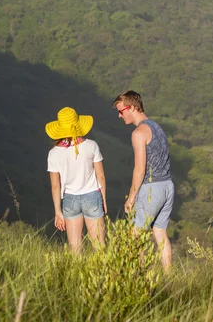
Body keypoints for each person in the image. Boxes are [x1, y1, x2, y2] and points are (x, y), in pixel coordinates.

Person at [113, 90, 174, 272]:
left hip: (151, 187)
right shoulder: (157, 127)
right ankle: (169, 276)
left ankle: (137, 277)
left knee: (135, 236)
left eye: (121, 111)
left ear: (131, 107)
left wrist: (131, 197)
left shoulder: (139, 133)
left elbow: (140, 169)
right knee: (160, 234)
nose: (119, 115)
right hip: (167, 186)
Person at [46, 107, 107, 254]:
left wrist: (58, 211)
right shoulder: (92, 145)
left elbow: (55, 186)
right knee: (99, 247)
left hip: (69, 200)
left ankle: (76, 277)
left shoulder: (53, 153)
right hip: (92, 196)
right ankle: (102, 276)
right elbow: (101, 177)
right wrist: (103, 199)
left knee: (75, 249)